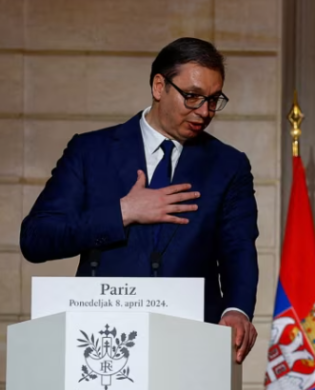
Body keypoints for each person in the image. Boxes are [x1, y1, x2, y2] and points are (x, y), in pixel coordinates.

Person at [19, 37, 259, 363]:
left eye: (214, 99)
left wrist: (237, 309)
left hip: (192, 347)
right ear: (160, 86)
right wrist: (123, 212)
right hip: (100, 345)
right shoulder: (90, 152)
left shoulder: (229, 165)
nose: (205, 112)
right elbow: (36, 239)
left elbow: (238, 249)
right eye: (192, 96)